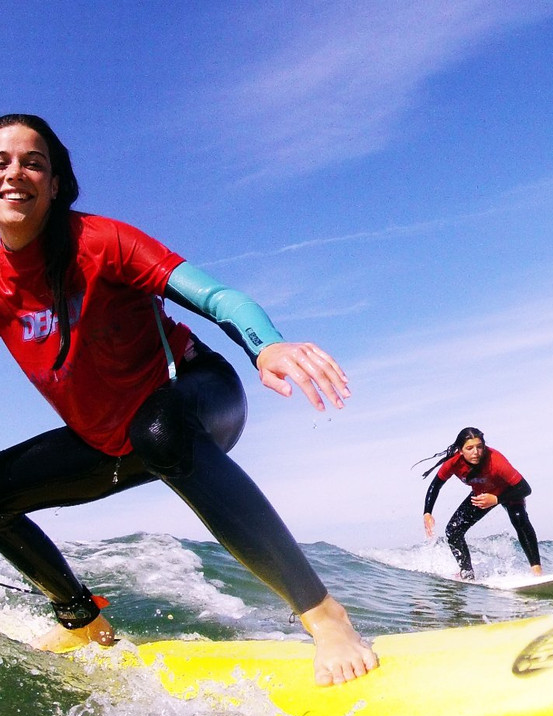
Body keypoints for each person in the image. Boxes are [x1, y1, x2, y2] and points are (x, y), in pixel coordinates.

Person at [0, 114, 377, 685]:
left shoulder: (101, 242)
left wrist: (267, 346)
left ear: (55, 183)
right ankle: (82, 620)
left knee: (159, 433)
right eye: (0, 162)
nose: (15, 173)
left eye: (33, 162)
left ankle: (326, 617)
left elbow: (217, 296)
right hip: (108, 440)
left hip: (196, 395)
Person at [419, 427, 542, 580]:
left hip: (508, 491)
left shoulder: (496, 460)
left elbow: (525, 488)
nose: (475, 452)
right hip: (482, 494)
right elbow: (436, 485)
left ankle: (537, 573)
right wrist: (427, 512)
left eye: (479, 447)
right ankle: (467, 574)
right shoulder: (453, 462)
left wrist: (496, 499)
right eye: (469, 448)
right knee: (453, 531)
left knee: (519, 519)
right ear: (461, 450)